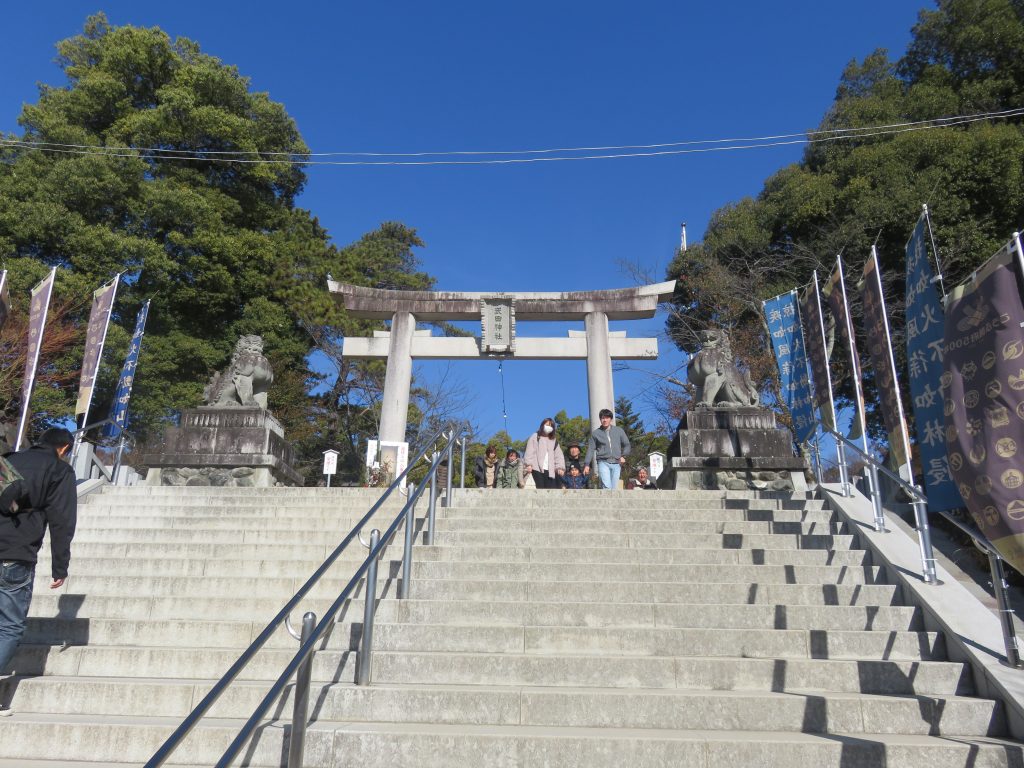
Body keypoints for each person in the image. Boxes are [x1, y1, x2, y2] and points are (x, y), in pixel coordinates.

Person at [0, 428, 77, 713]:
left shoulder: (7, 460)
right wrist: (60, 566)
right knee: (9, 624)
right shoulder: (59, 471)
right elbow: (61, 521)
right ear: (64, 448)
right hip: (15, 555)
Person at [584, 408, 631, 490]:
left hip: (617, 463)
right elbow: (590, 449)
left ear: (611, 419)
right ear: (600, 419)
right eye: (602, 418)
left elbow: (627, 444)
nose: (604, 420)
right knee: (607, 486)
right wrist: (587, 464)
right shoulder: (595, 434)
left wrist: (624, 456)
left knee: (614, 488)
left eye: (607, 418)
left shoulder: (619, 431)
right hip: (603, 462)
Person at [524, 417, 565, 489]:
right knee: (540, 488)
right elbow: (529, 450)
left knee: (550, 489)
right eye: (547, 425)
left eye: (550, 426)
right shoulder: (535, 436)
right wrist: (528, 464)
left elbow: (559, 455)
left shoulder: (554, 440)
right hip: (537, 468)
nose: (548, 427)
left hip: (550, 469)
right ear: (542, 425)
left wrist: (560, 467)